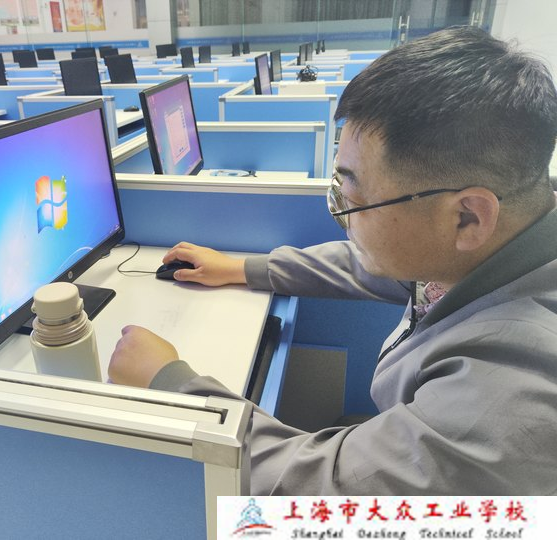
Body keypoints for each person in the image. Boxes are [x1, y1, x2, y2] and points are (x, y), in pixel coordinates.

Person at [109, 26, 557, 494]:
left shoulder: (512, 391)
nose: (343, 216)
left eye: (355, 199)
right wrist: (242, 269)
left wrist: (172, 387)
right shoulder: (506, 238)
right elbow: (373, 264)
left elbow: (325, 488)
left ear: (468, 217)